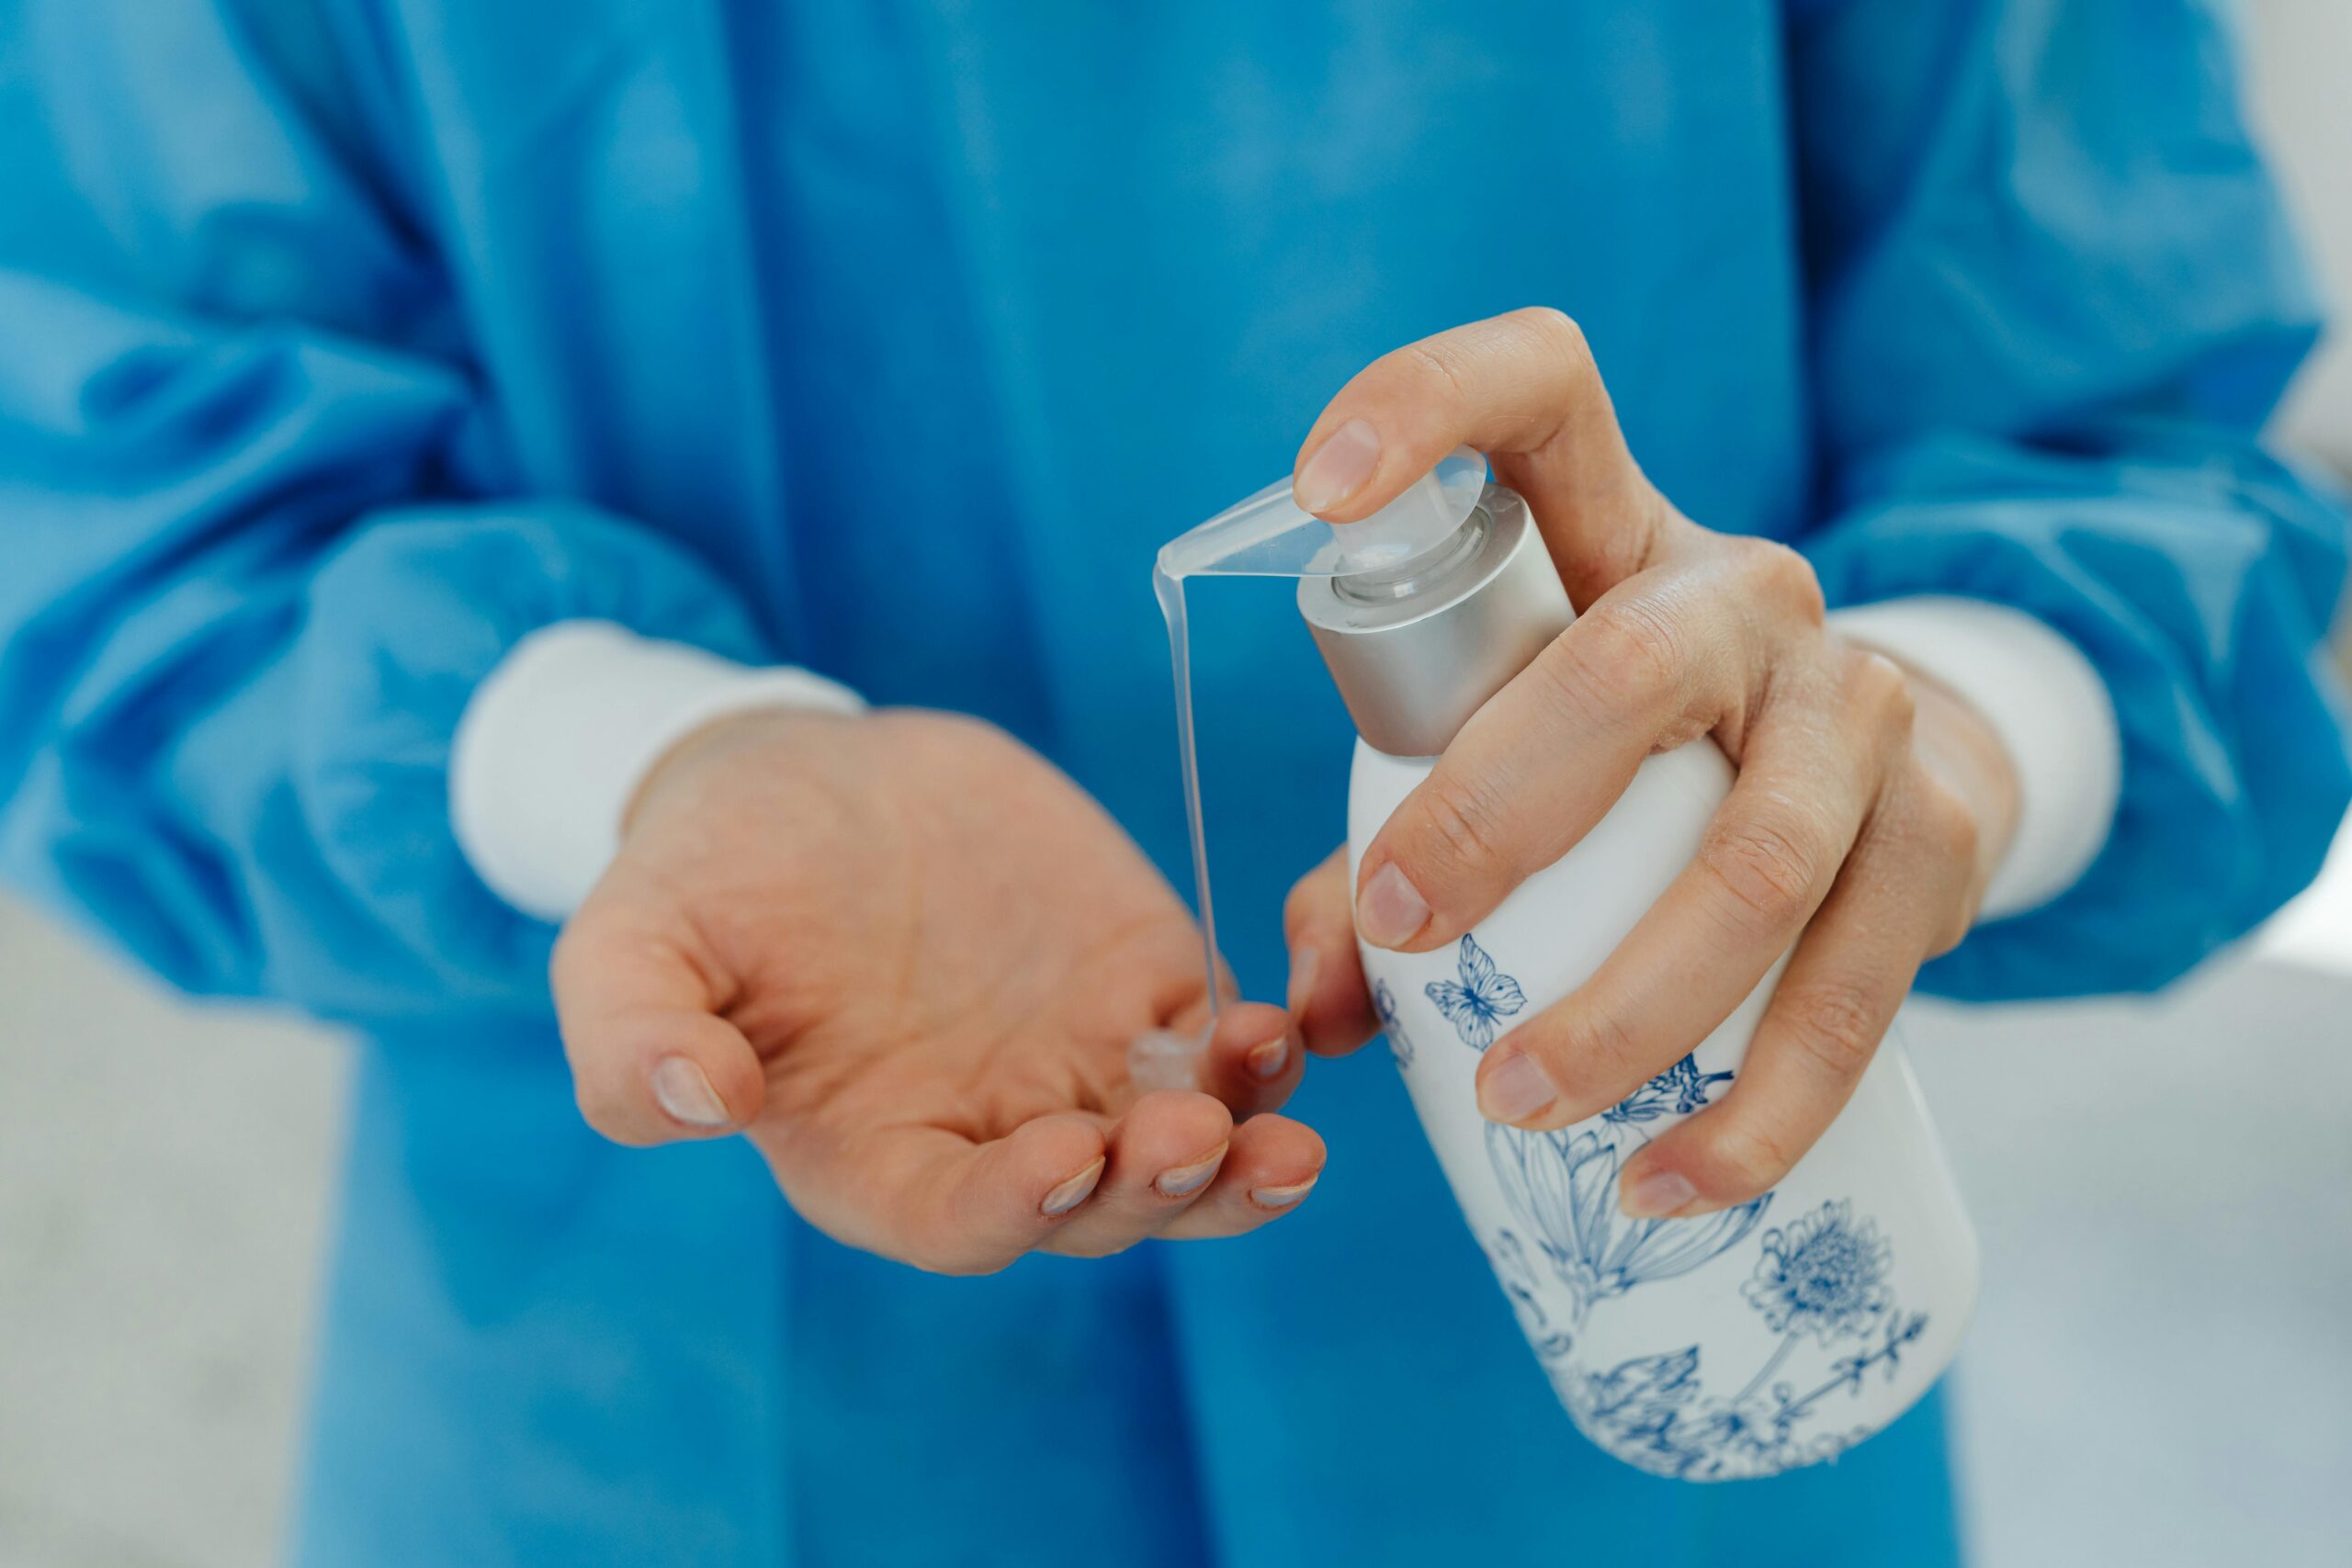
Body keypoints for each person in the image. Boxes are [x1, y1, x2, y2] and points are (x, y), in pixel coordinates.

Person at [2, 2, 2346, 1563]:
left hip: (1663, 1373)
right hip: (678, 1378)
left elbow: (2117, 410)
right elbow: (116, 491)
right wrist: (665, 765)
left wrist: (1902, 744)